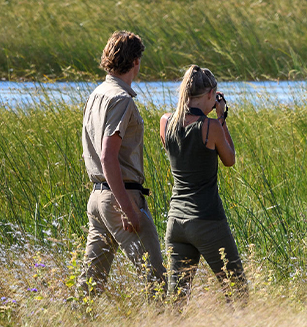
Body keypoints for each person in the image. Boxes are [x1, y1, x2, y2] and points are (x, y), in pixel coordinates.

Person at [77, 31, 165, 295]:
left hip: (98, 198)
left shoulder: (97, 94)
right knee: (157, 281)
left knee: (89, 286)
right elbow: (107, 156)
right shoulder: (122, 100)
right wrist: (128, 209)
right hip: (120, 198)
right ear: (136, 62)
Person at [159, 65, 246, 299]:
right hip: (206, 218)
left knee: (176, 299)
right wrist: (221, 116)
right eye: (214, 96)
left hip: (176, 221)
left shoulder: (166, 122)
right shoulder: (211, 127)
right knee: (238, 292)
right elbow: (230, 160)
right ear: (209, 95)